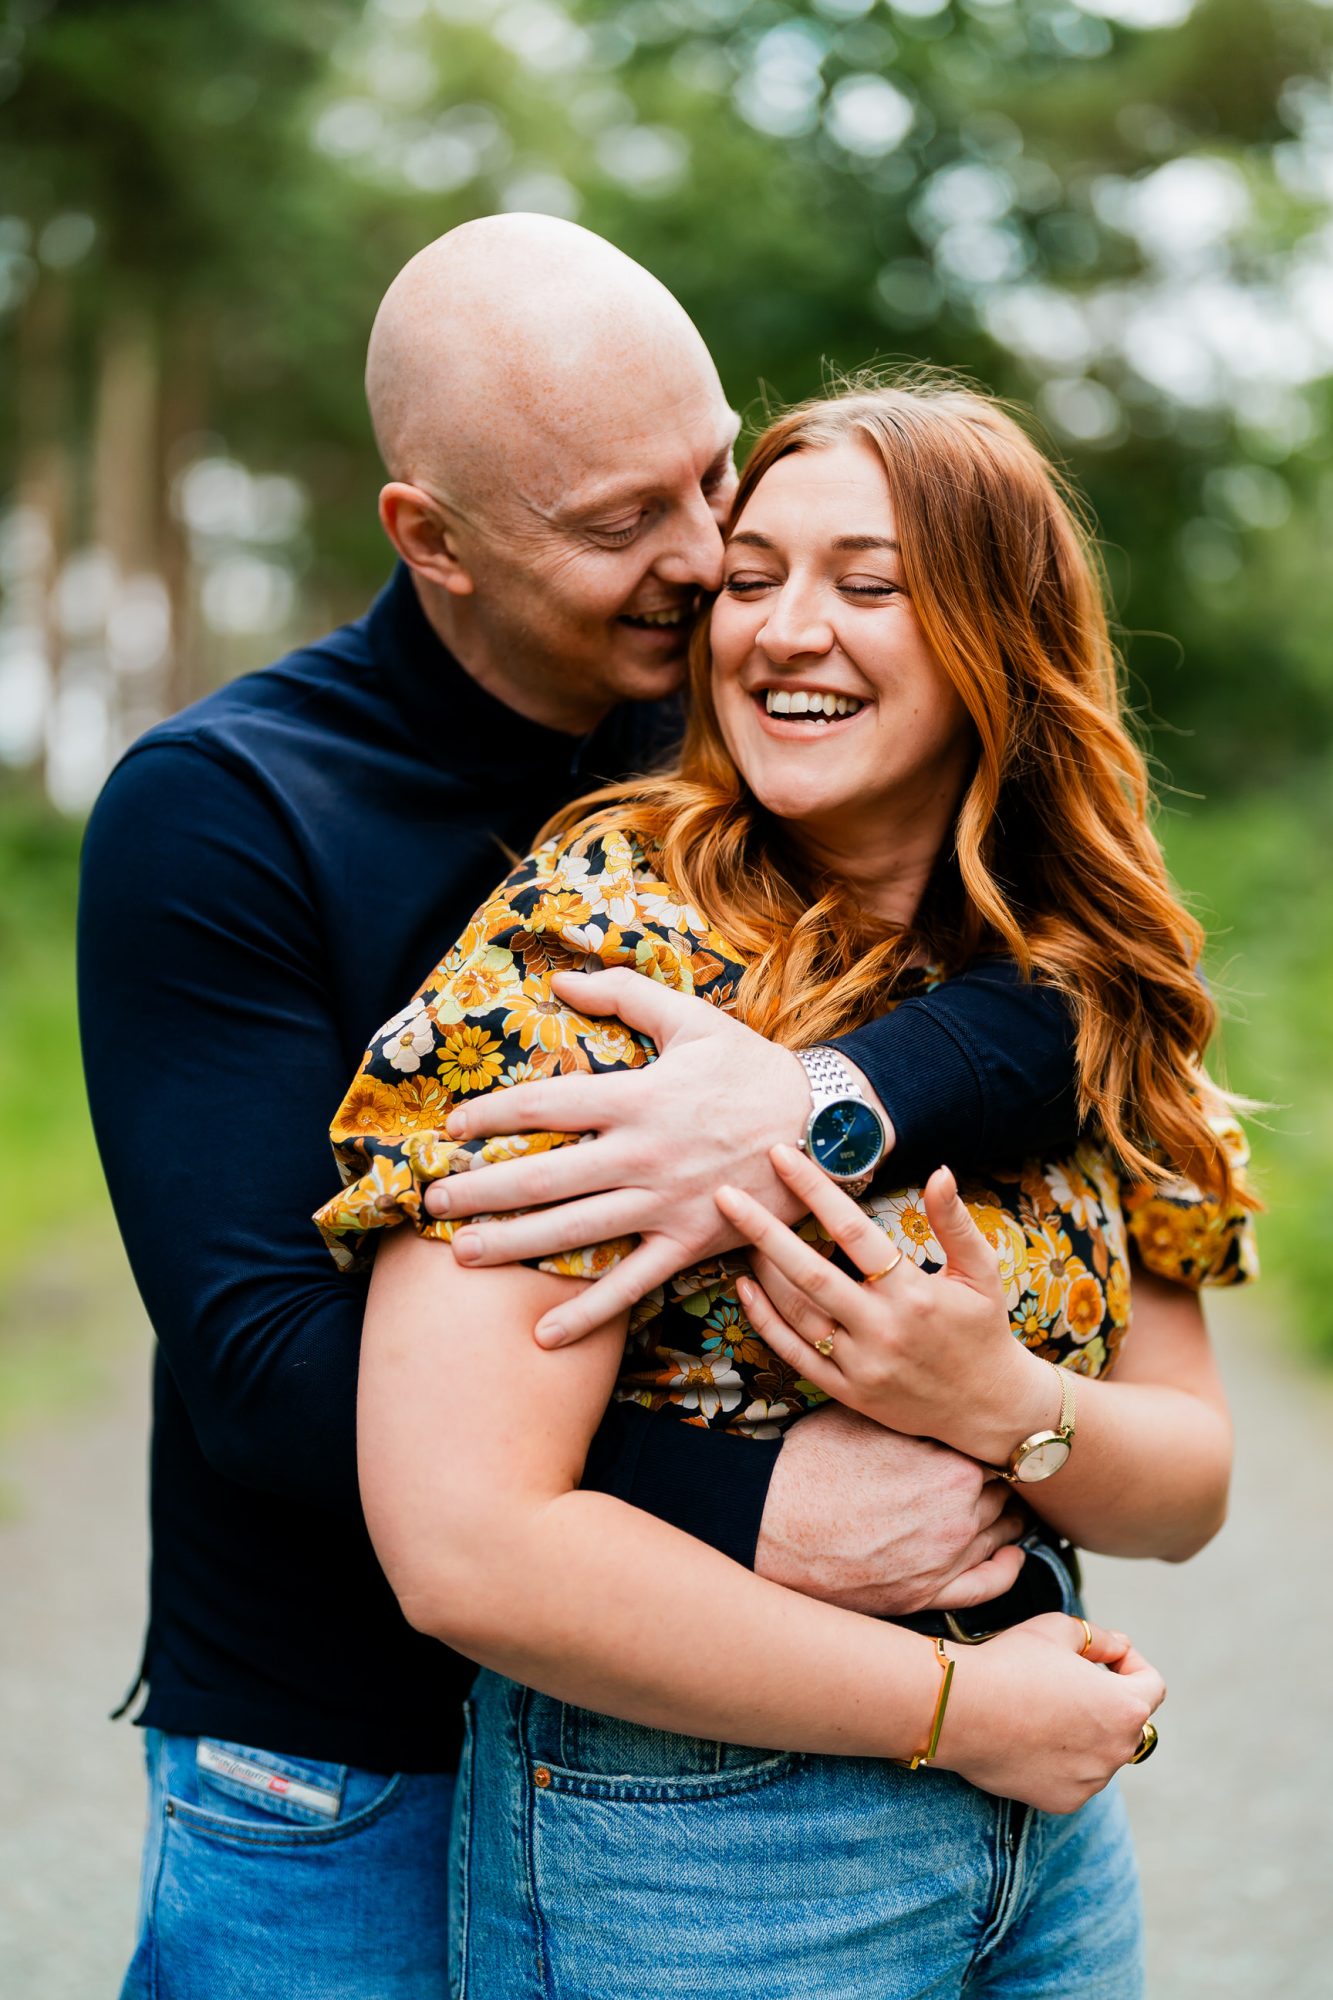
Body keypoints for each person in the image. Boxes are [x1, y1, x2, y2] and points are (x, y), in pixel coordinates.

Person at [80, 219, 1090, 2000]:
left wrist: (815, 1098)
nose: (708, 564)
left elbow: (1053, 999)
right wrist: (740, 1504)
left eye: (710, 474)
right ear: (431, 540)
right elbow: (254, 1362)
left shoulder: (727, 731)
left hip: (692, 1765)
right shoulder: (222, 809)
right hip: (345, 1761)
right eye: (624, 524)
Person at [323, 377, 1256, 1997]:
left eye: (869, 584)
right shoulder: (598, 945)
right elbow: (464, 1546)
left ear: (1000, 637)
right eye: (749, 579)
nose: (782, 630)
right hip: (704, 1846)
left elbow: (1183, 1485)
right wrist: (962, 1715)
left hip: (1041, 1849)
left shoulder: (1079, 981)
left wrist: (1000, 1399)